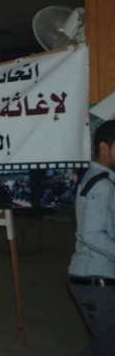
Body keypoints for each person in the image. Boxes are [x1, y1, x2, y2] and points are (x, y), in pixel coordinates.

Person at [69, 120, 115, 356]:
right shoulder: (102, 185)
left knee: (102, 347)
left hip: (95, 277)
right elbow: (92, 234)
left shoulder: (97, 179)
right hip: (95, 279)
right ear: (105, 147)